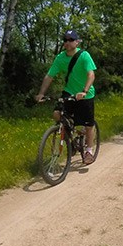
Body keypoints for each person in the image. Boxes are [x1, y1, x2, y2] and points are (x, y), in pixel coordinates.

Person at [35, 29, 97, 165]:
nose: (67, 43)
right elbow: (49, 76)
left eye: (71, 40)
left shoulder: (84, 55)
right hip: (69, 92)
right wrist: (41, 93)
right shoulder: (60, 58)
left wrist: (85, 91)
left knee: (88, 124)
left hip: (85, 94)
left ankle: (89, 150)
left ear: (77, 41)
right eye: (65, 40)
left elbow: (91, 74)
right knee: (57, 114)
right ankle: (71, 139)